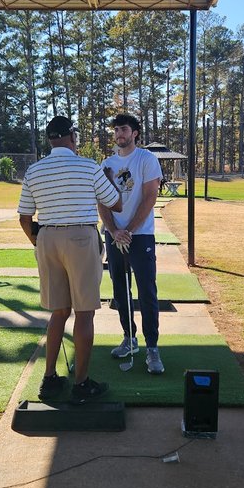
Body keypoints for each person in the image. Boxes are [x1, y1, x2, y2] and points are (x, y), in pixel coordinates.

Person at [18, 115, 122, 405]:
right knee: (84, 312)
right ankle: (81, 383)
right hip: (80, 238)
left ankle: (49, 378)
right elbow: (116, 203)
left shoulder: (34, 170)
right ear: (72, 137)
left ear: (50, 140)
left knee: (59, 311)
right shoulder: (89, 166)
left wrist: (37, 242)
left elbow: (25, 217)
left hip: (47, 237)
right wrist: (109, 179)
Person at [98, 113, 165, 374]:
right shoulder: (107, 164)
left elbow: (150, 197)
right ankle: (129, 338)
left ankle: (152, 348)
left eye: (124, 129)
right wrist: (114, 230)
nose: (119, 134)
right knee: (120, 290)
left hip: (141, 235)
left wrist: (129, 230)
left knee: (146, 290)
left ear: (135, 133)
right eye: (116, 130)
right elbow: (102, 202)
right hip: (115, 235)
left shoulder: (146, 159)